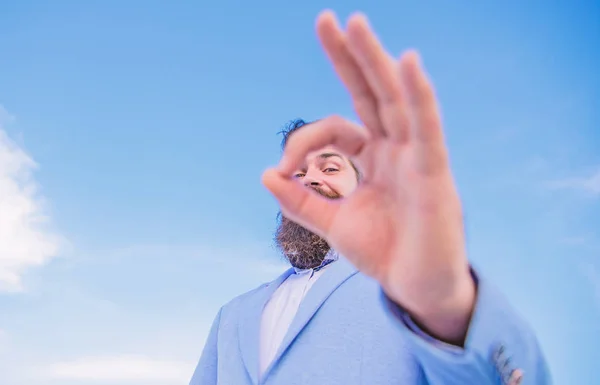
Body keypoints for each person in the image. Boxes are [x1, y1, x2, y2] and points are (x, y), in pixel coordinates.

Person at [189, 10, 550, 385]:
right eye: (297, 173)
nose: (309, 179)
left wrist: (449, 310)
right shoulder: (230, 316)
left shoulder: (405, 296)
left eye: (330, 169)